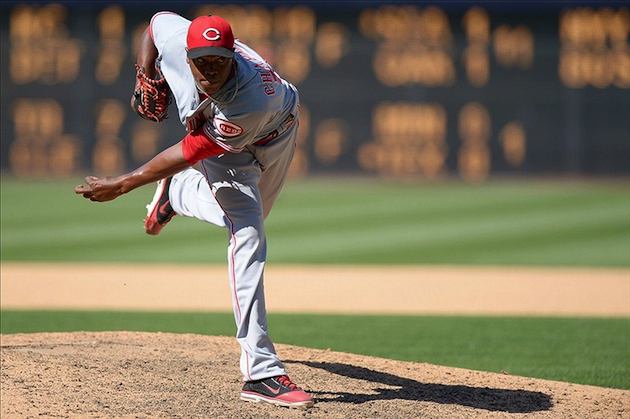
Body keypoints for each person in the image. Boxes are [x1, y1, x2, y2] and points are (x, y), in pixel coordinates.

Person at [75, 12, 313, 409]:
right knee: (248, 233)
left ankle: (177, 193)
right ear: (187, 54)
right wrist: (144, 72)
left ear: (232, 55)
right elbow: (154, 24)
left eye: (219, 60)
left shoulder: (247, 100)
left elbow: (191, 151)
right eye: (201, 61)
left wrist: (124, 182)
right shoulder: (175, 38)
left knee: (241, 219)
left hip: (275, 132)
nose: (209, 70)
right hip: (227, 152)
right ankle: (261, 371)